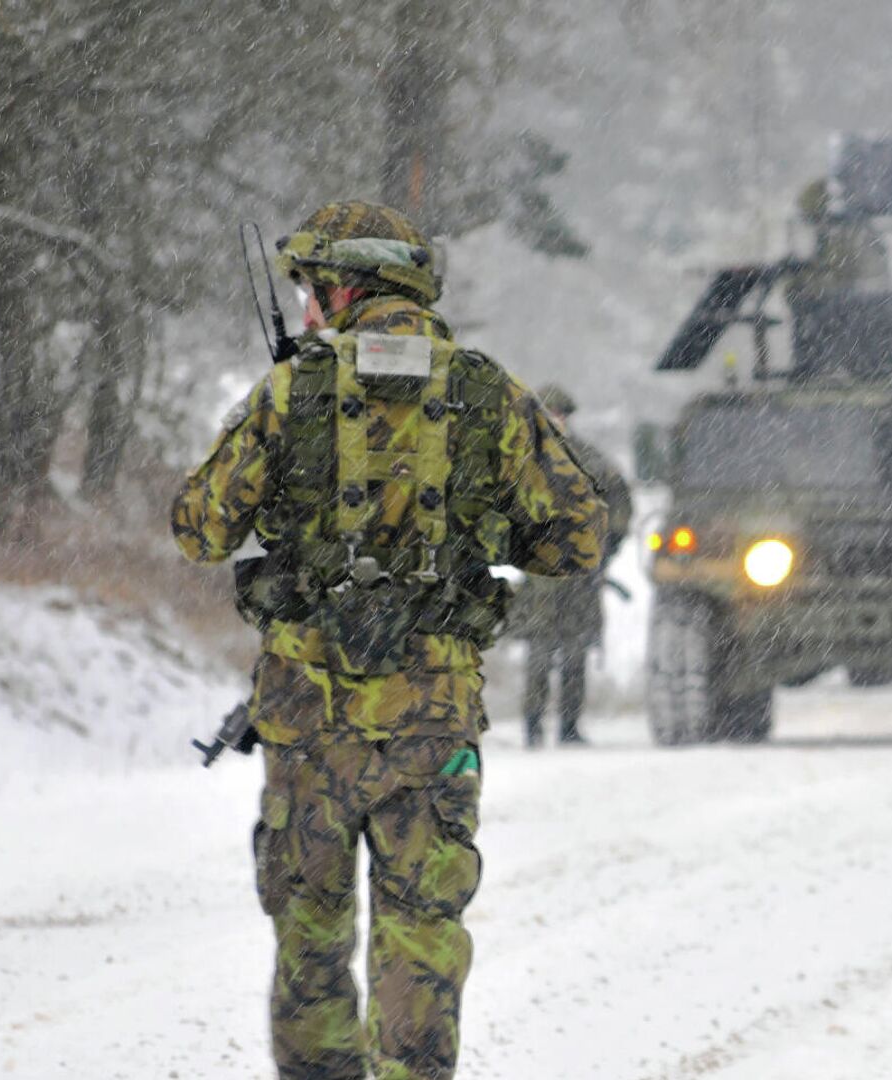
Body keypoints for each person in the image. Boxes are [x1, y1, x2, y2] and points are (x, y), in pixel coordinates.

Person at [170, 200, 608, 1080]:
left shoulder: (292, 391)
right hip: (431, 720)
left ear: (342, 286)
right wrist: (474, 540)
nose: (305, 309)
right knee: (421, 935)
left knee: (311, 936)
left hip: (307, 721)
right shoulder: (486, 390)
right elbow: (578, 535)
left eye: (311, 290)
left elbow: (200, 529)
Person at [520, 384, 633, 747]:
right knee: (539, 651)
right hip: (540, 573)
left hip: (580, 573)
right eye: (548, 415)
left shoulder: (591, 461)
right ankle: (532, 724)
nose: (556, 422)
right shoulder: (522, 460)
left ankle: (569, 724)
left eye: (560, 415)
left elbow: (620, 506)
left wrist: (607, 550)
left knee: (574, 650)